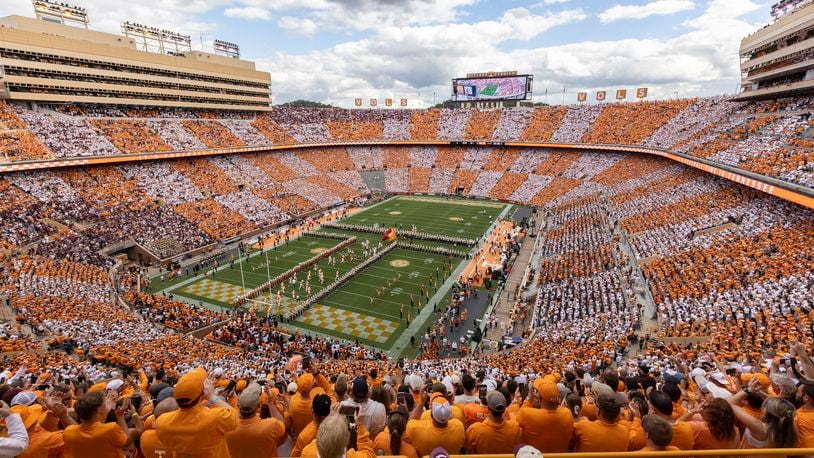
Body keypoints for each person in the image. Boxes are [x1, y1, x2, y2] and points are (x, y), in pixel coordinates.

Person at [156, 368, 238, 457]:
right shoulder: (215, 418)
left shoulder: (162, 422)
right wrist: (212, 396)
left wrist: (202, 394)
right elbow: (234, 415)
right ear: (203, 394)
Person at [64, 390, 141, 458]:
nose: (107, 403)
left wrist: (105, 412)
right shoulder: (110, 429)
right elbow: (125, 444)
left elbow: (96, 431)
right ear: (98, 409)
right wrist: (120, 416)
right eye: (105, 402)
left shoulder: (69, 431)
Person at [226, 382, 286, 458]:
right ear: (258, 406)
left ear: (238, 405)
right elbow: (282, 424)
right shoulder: (270, 425)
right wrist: (270, 402)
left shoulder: (227, 427)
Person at [516, 379, 573, 452]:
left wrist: (529, 399)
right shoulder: (567, 413)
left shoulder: (527, 414)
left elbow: (517, 418)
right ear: (559, 398)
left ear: (539, 398)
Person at [405, 391, 465, 457]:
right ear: (449, 414)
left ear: (431, 415)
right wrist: (446, 412)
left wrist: (422, 402)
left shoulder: (415, 429)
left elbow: (409, 423)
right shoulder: (459, 427)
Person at [300, 412, 375, 458]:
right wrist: (360, 425)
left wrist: (333, 420)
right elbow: (369, 454)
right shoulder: (353, 456)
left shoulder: (307, 453)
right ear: (346, 441)